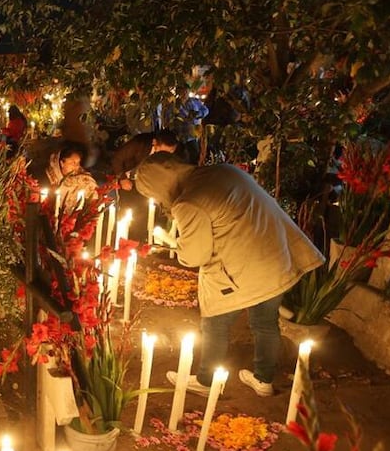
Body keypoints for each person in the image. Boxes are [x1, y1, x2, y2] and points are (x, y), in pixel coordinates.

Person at [134, 152, 324, 397]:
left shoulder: (189, 202)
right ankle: (263, 380)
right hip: (275, 256)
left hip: (241, 268)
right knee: (265, 322)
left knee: (216, 323)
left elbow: (195, 256)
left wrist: (177, 246)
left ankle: (206, 380)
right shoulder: (224, 170)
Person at [47, 140, 98, 212]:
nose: (76, 166)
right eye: (73, 163)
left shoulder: (85, 180)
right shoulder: (51, 178)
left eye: (78, 163)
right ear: (62, 163)